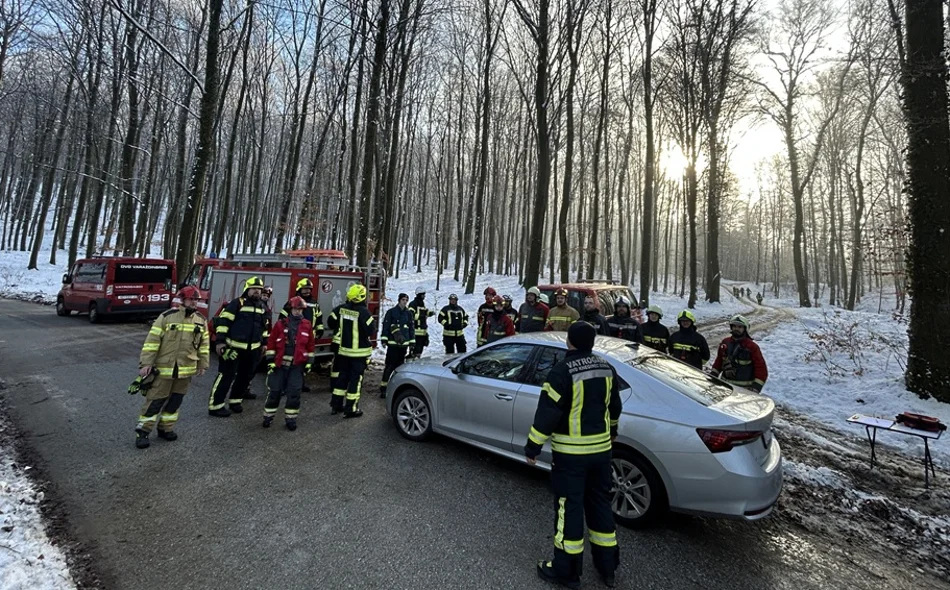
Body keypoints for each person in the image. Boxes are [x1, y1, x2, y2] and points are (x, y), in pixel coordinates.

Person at [525, 322, 621, 589]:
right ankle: (607, 567)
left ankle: (566, 571)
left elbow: (548, 414)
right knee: (601, 505)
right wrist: (612, 432)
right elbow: (615, 406)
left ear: (569, 342)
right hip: (601, 453)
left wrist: (533, 447)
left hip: (571, 456)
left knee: (569, 509)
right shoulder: (606, 368)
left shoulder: (561, 371)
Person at [133, 286, 210, 449]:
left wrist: (203, 364)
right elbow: (152, 341)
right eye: (191, 299)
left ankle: (165, 429)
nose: (194, 302)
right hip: (163, 369)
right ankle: (143, 432)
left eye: (197, 300)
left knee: (174, 403)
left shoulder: (201, 320)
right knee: (155, 402)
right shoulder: (167, 317)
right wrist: (146, 363)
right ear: (183, 299)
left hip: (185, 371)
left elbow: (204, 345)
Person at [209, 276, 268, 417]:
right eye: (254, 289)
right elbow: (223, 323)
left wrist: (264, 344)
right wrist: (220, 342)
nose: (257, 292)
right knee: (226, 376)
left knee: (244, 377)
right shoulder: (237, 304)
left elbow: (264, 327)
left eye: (259, 290)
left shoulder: (262, 307)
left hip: (252, 350)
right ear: (247, 289)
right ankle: (216, 405)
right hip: (233, 349)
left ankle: (235, 401)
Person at [262, 296, 316, 430]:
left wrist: (309, 362)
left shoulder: (307, 325)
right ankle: (268, 417)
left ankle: (291, 419)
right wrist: (270, 360)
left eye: (300, 309)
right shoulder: (281, 324)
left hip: (297, 366)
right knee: (274, 391)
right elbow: (271, 342)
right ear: (291, 309)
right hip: (280, 365)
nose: (298, 312)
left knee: (294, 393)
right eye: (296, 309)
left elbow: (310, 346)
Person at [330, 284, 377, 417]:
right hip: (358, 354)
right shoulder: (364, 312)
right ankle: (351, 408)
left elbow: (331, 322)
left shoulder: (341, 309)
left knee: (342, 378)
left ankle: (336, 405)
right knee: (355, 381)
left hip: (344, 351)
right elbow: (371, 330)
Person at [282, 279, 323, 393]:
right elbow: (283, 317)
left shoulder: (314, 303)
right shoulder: (292, 302)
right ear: (299, 289)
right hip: (293, 336)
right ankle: (284, 386)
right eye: (304, 289)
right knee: (289, 361)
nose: (307, 291)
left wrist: (319, 329)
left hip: (307, 337)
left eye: (309, 289)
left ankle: (300, 383)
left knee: (303, 361)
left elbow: (318, 318)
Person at [712, 315, 768, 392]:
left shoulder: (752, 347)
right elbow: (719, 361)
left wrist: (756, 388)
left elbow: (761, 369)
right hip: (724, 386)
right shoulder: (725, 342)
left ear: (745, 329)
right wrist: (713, 375)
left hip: (744, 390)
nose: (736, 329)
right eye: (734, 326)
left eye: (740, 327)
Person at [381, 293, 415, 397]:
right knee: (389, 366)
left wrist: (412, 342)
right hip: (392, 345)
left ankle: (396, 388)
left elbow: (411, 329)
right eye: (403, 299)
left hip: (403, 346)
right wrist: (384, 339)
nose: (405, 302)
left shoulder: (408, 313)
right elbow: (386, 326)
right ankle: (383, 388)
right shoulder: (391, 312)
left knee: (400, 367)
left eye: (406, 300)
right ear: (399, 300)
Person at [408, 286, 435, 358]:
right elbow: (411, 315)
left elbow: (425, 312)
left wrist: (430, 313)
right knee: (415, 350)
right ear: (419, 295)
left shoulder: (422, 304)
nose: (424, 296)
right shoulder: (413, 304)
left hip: (422, 331)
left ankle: (417, 359)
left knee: (420, 349)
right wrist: (422, 316)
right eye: (423, 295)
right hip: (415, 331)